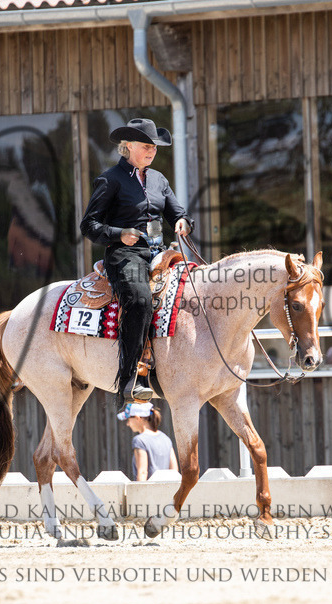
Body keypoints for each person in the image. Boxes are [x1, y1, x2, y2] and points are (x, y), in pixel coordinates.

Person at [80, 118, 193, 403]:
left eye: (154, 147)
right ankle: (129, 378)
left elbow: (177, 212)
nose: (152, 151)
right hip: (124, 254)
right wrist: (119, 234)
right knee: (140, 299)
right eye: (146, 146)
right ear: (127, 147)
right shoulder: (110, 179)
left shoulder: (159, 180)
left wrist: (182, 222)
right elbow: (89, 225)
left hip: (158, 253)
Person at [117, 402, 178, 481]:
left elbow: (142, 472)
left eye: (128, 419)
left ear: (137, 418)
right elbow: (174, 470)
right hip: (166, 490)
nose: (128, 424)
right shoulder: (165, 438)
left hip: (149, 491)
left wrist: (139, 492)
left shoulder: (139, 440)